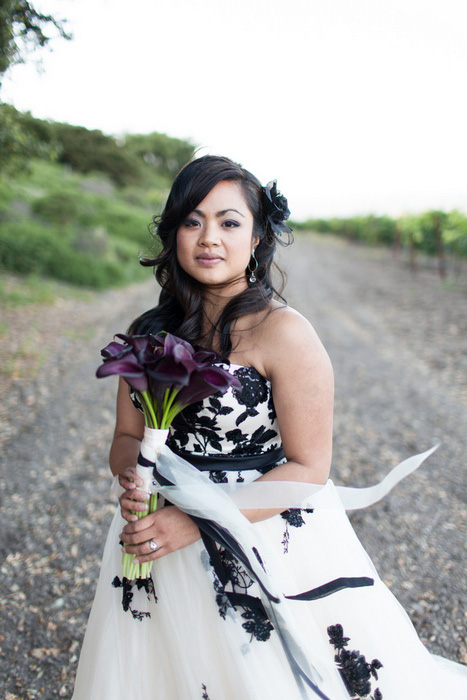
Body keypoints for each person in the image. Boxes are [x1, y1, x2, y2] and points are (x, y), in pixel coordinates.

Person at [72, 156, 466, 700]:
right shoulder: (149, 332)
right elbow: (124, 438)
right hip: (155, 536)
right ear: (172, 235)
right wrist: (135, 481)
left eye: (229, 222)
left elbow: (309, 468)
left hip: (262, 536)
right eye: (192, 221)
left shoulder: (285, 333)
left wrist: (195, 520)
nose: (209, 237)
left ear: (257, 237)